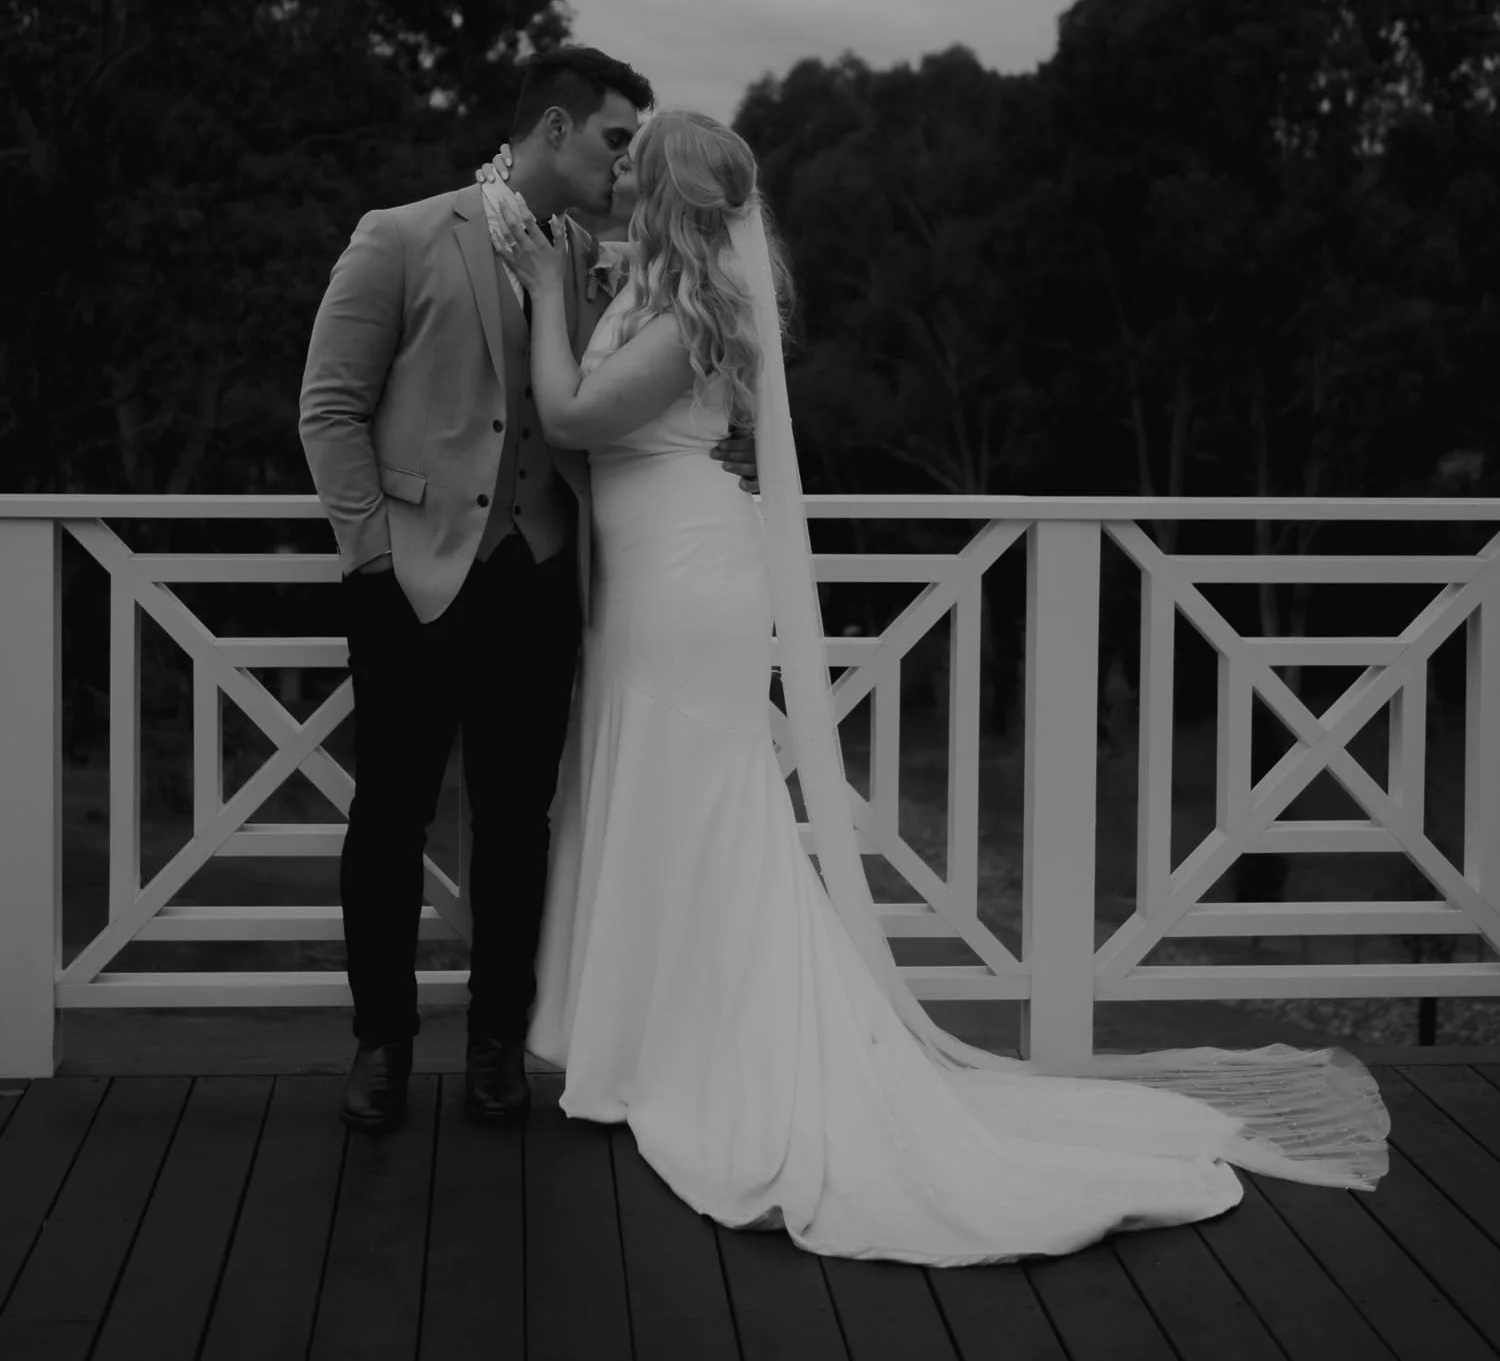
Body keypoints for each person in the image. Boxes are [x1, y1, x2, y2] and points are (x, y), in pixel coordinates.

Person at [488, 107, 1391, 1266]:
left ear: (662, 191)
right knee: (662, 797)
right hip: (648, 575)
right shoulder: (662, 285)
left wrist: (546, 294)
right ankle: (647, 1036)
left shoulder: (688, 311)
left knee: (706, 804)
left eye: (631, 163)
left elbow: (570, 413)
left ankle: (712, 1048)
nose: (615, 172)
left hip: (685, 582)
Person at [297, 49, 754, 1134]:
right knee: (390, 815)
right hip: (411, 578)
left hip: (544, 579)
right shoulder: (402, 235)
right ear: (552, 127)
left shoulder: (598, 261)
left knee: (518, 823)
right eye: (612, 139)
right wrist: (370, 559)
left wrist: (707, 465)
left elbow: (634, 395)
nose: (625, 163)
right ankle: (382, 1043)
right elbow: (329, 409)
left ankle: (498, 1043)